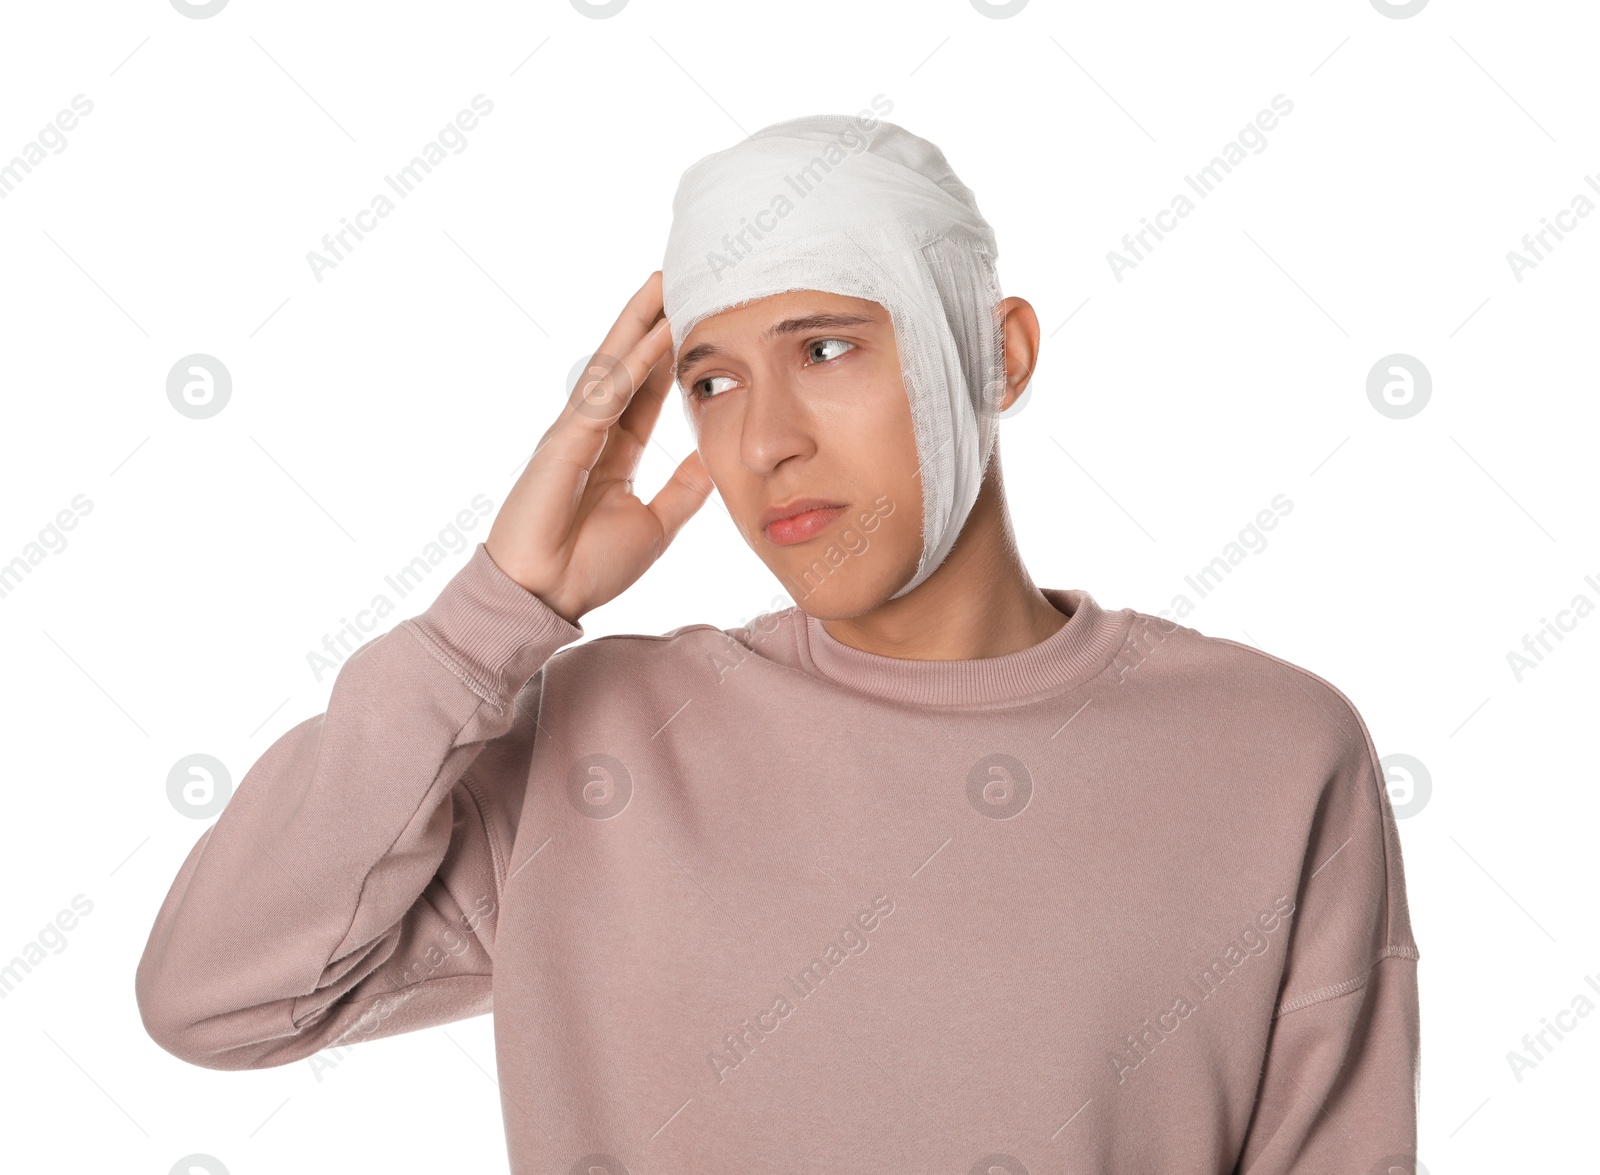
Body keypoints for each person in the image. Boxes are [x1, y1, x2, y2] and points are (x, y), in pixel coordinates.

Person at [136, 114, 1421, 1175]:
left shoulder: (1269, 749)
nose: (764, 443)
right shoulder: (614, 737)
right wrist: (496, 606)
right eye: (711, 380)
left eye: (824, 347)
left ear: (997, 352)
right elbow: (218, 994)